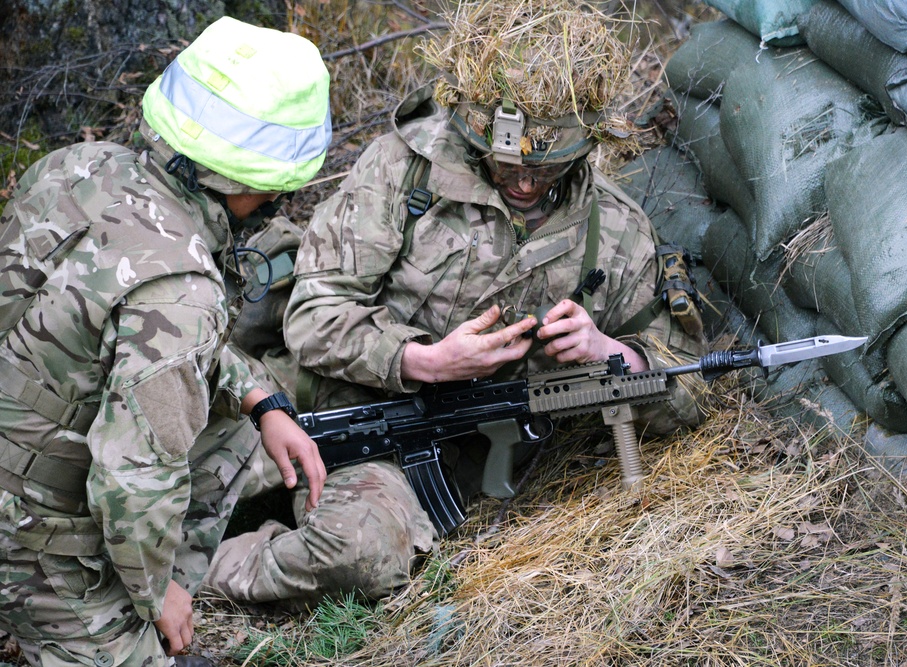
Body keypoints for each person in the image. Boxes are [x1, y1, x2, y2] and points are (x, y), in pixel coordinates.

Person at [202, 0, 707, 612]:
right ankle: (161, 565)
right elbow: (311, 317)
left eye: (546, 168)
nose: (524, 183)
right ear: (472, 123)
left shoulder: (617, 233)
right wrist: (422, 360)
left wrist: (611, 353)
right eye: (508, 161)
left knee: (363, 549)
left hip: (433, 466)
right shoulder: (405, 173)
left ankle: (215, 572)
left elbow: (687, 390)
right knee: (170, 474)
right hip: (339, 408)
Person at [0, 16, 331, 667]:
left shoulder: (77, 168)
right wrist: (157, 591)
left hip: (24, 451)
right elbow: (131, 479)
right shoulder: (183, 281)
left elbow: (120, 327)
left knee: (238, 421)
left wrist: (261, 398)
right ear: (259, 180)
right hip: (32, 528)